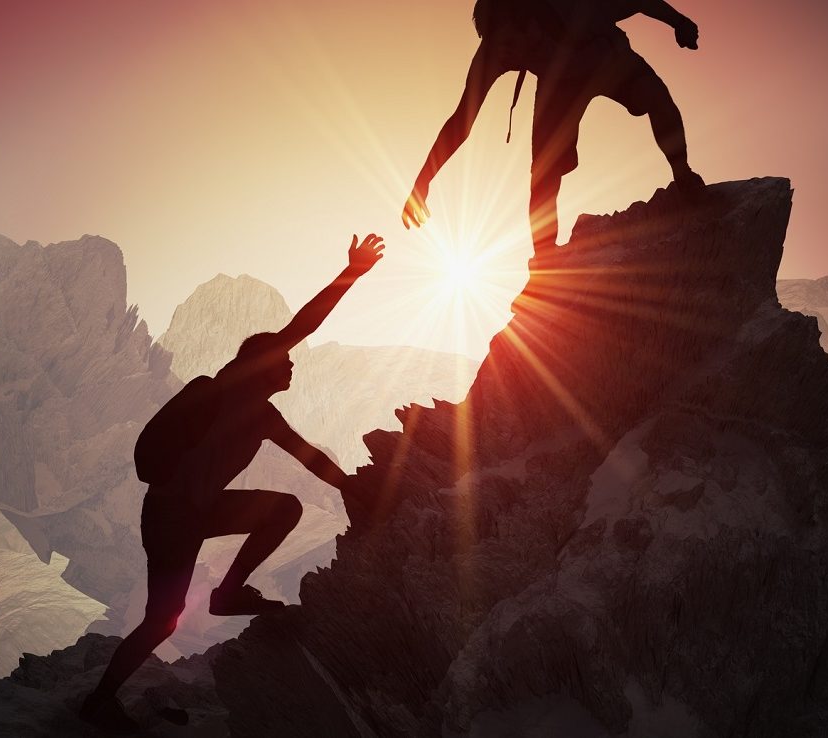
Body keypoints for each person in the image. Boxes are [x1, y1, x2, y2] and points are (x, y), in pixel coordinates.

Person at [80, 233, 386, 733]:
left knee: (284, 509)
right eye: (284, 359)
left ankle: (228, 594)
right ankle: (99, 702)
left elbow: (310, 458)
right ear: (262, 363)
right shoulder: (234, 387)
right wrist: (351, 272)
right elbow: (301, 326)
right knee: (163, 619)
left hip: (194, 511)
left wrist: (359, 490)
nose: (291, 365)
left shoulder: (263, 415)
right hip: (171, 516)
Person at [402, 0, 704, 257]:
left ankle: (683, 175)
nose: (511, 55)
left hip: (604, 56)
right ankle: (544, 261)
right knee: (543, 173)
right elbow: (461, 123)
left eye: (516, 43)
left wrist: (678, 21)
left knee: (656, 98)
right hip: (559, 86)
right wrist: (423, 181)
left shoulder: (578, 7)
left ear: (532, 21)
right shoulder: (496, 51)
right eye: (504, 48)